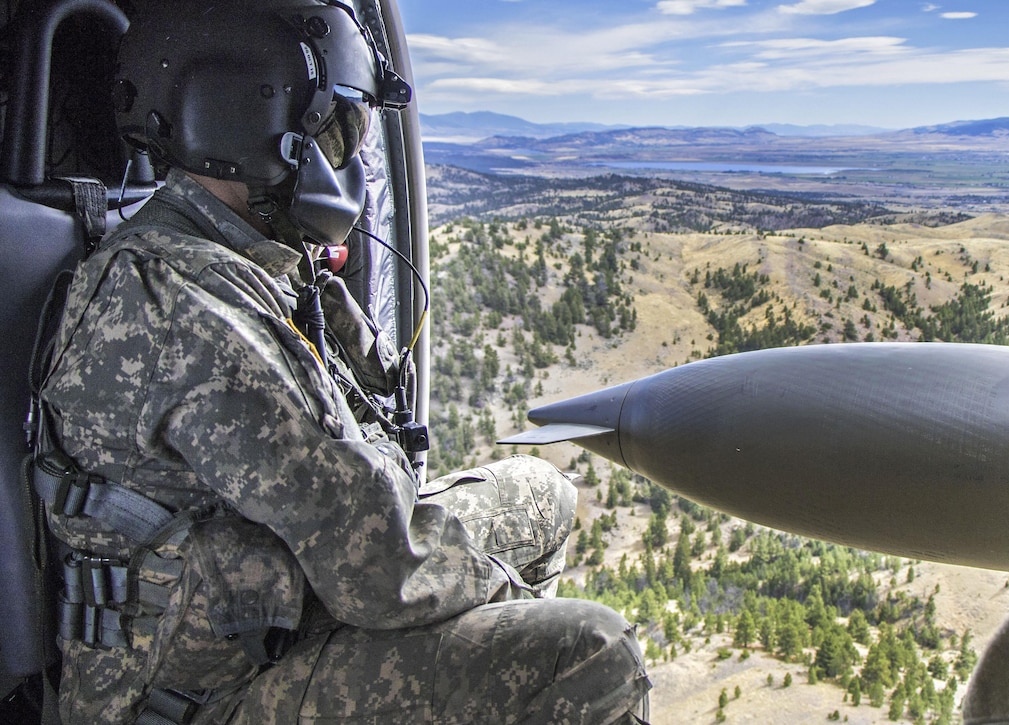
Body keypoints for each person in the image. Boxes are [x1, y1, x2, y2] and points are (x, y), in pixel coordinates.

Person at [32, 0, 651, 722]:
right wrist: (502, 611)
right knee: (592, 653)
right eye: (335, 133)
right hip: (196, 696)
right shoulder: (185, 312)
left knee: (543, 494)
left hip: (279, 611)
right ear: (247, 122)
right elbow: (382, 567)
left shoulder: (235, 263)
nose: (351, 164)